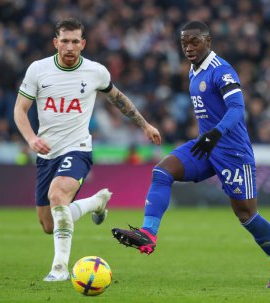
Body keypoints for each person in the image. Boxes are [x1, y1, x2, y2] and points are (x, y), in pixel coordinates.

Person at [112, 21, 270, 288]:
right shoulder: (193, 71)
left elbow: (236, 110)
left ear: (208, 41)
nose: (188, 47)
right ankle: (149, 234)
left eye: (194, 41)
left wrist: (215, 134)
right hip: (206, 147)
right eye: (184, 42)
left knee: (246, 215)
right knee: (162, 171)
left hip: (232, 151)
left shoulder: (222, 71)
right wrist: (208, 137)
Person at [14, 18, 161, 282]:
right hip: (46, 153)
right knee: (49, 225)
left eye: (75, 42)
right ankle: (96, 202)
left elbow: (118, 99)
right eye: (64, 41)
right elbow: (20, 110)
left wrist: (145, 124)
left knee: (58, 195)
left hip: (78, 149)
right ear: (55, 42)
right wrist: (31, 138)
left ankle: (59, 268)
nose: (69, 47)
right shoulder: (38, 70)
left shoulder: (96, 72)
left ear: (82, 44)